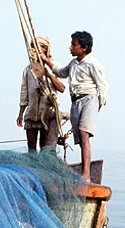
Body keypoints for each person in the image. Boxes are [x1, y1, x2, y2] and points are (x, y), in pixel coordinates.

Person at [43, 31, 108, 181]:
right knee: (79, 139)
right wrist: (46, 61)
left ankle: (86, 174)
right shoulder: (73, 64)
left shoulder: (92, 63)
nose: (70, 47)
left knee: (85, 135)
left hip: (89, 99)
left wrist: (98, 105)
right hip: (75, 102)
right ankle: (85, 170)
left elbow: (102, 85)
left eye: (74, 45)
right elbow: (61, 72)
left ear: (84, 47)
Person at [17, 37, 66, 152]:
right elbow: (24, 93)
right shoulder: (28, 70)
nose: (33, 50)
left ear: (45, 49)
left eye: (37, 47)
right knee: (31, 148)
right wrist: (21, 113)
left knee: (47, 148)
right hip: (33, 113)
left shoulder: (54, 66)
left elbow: (62, 88)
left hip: (49, 112)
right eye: (32, 47)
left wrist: (49, 75)